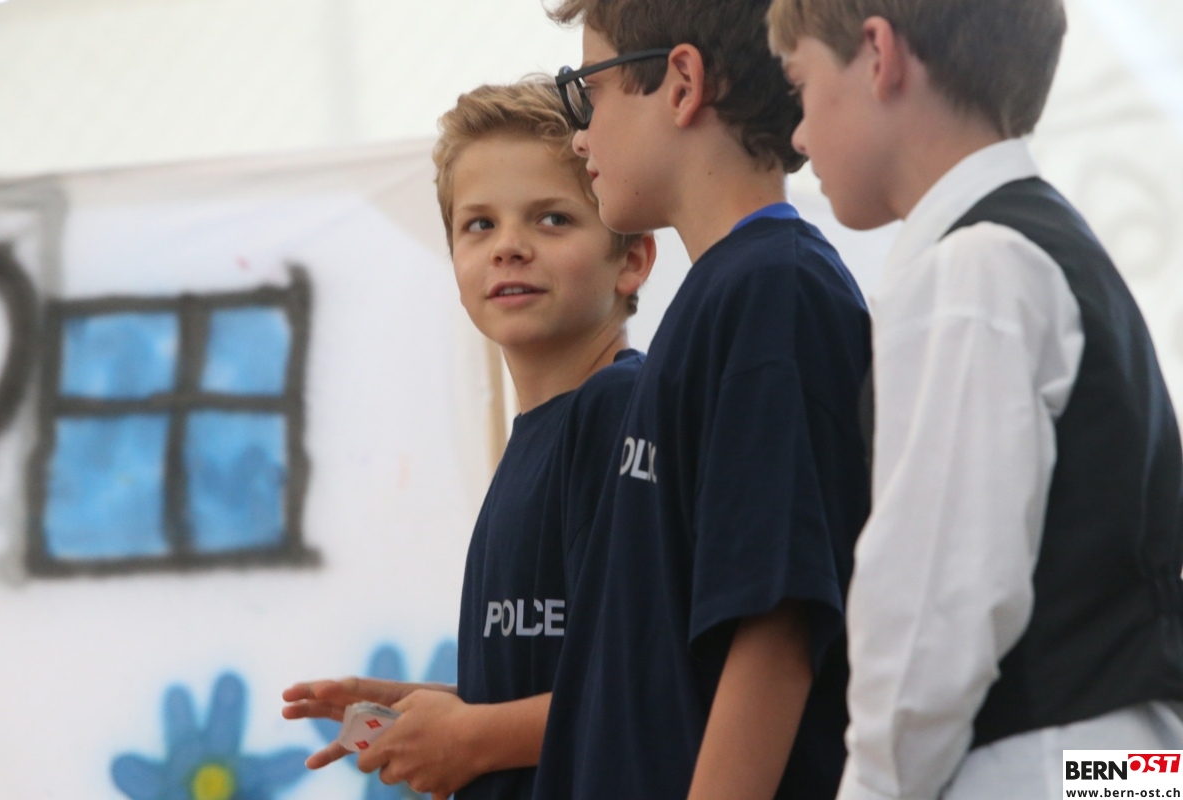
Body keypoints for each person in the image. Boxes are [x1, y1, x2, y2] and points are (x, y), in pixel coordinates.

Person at [768, 1, 1183, 797]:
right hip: (1131, 767)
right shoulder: (1057, 247)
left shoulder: (969, 271)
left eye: (801, 84)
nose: (800, 135)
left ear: (879, 54)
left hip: (1037, 765)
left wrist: (873, 786)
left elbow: (935, 610)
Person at [533, 1, 872, 798]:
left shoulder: (775, 293)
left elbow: (776, 627)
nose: (579, 135)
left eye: (588, 89)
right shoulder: (728, 292)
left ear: (682, 82)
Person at [281, 79, 655, 800]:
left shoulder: (618, 413)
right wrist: (429, 709)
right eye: (479, 224)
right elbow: (564, 682)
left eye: (552, 219)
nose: (509, 247)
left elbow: (645, 689)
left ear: (632, 259)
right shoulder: (538, 437)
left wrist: (471, 737)